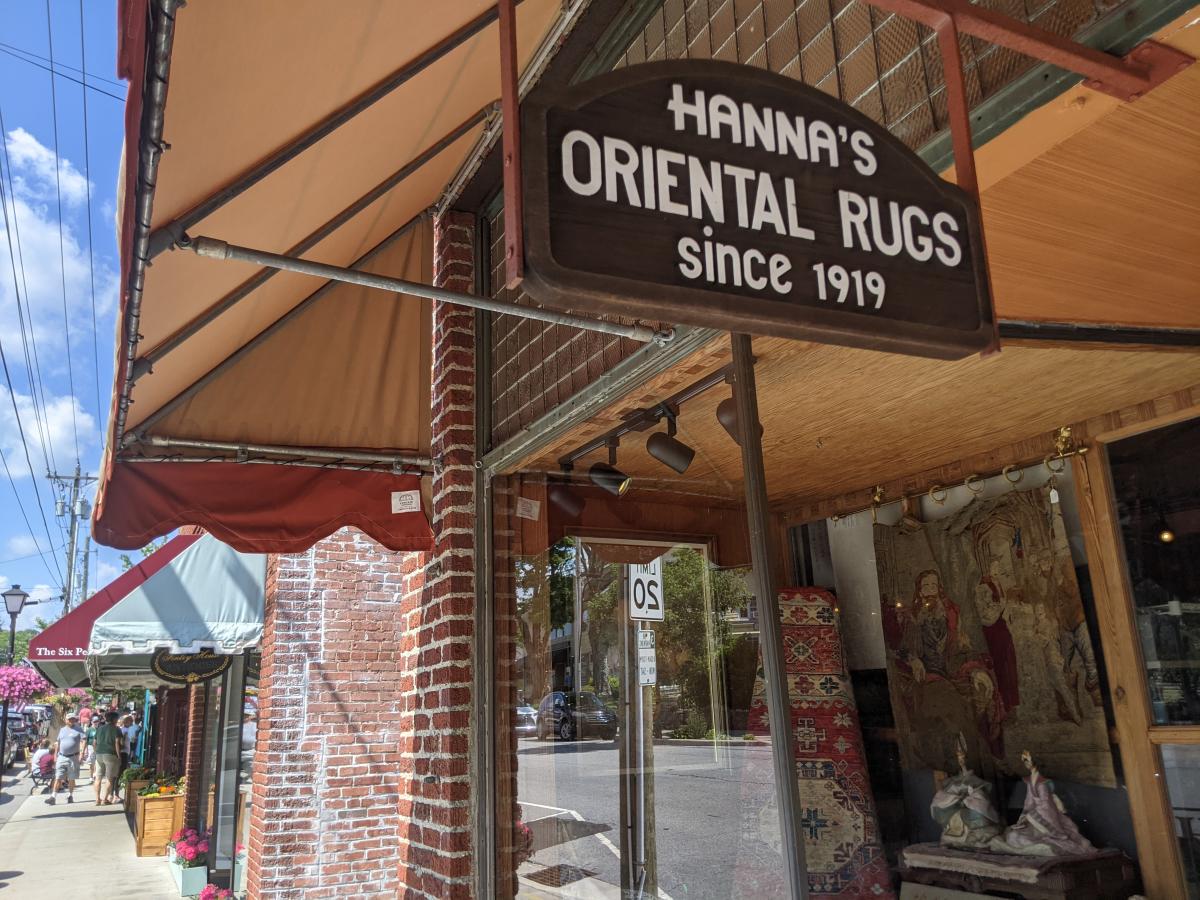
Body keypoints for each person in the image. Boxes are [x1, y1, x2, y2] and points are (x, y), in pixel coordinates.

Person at [46, 713, 84, 805]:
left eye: (73, 719)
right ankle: (53, 797)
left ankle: (70, 795)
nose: (71, 721)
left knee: (71, 778)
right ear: (66, 720)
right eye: (69, 719)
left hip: (73, 757)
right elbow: (58, 743)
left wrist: (82, 754)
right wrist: (56, 755)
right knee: (58, 777)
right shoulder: (62, 730)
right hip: (62, 756)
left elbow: (83, 741)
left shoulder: (79, 729)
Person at [93, 711, 123, 806]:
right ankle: (104, 799)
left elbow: (94, 742)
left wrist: (96, 751)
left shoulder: (99, 728)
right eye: (117, 718)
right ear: (114, 719)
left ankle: (97, 799)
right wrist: (119, 756)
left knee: (98, 778)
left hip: (99, 754)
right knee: (110, 778)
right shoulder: (116, 729)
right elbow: (117, 743)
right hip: (111, 754)